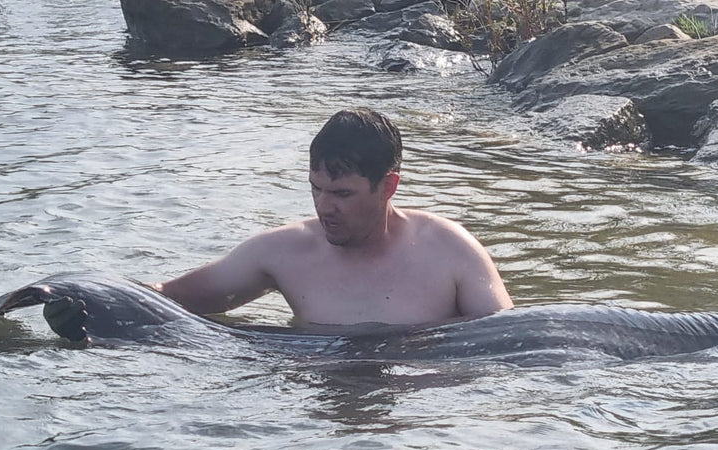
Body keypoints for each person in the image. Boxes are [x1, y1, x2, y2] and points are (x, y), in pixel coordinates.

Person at [155, 108, 513, 328]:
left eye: (342, 194)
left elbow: (508, 342)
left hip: (415, 420)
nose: (324, 207)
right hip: (317, 410)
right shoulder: (281, 253)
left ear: (388, 186)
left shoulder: (449, 249)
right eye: (316, 189)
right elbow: (166, 299)